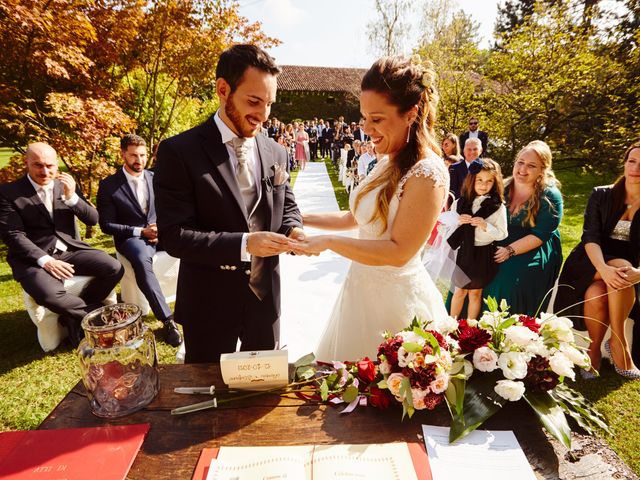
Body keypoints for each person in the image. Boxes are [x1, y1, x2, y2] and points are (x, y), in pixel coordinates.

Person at [153, 44, 304, 364]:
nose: (263, 115)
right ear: (223, 89)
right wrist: (247, 244)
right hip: (209, 303)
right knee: (210, 401)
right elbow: (174, 235)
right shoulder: (178, 152)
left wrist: (295, 228)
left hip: (265, 299)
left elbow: (286, 202)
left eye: (269, 103)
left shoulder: (275, 152)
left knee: (259, 397)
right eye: (253, 101)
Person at [295, 56, 449, 361]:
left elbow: (398, 251)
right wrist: (301, 218)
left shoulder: (427, 173)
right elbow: (355, 218)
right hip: (359, 292)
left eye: (376, 119)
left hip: (397, 306)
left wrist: (326, 243)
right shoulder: (386, 161)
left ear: (411, 114)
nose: (365, 128)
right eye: (364, 117)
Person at [0, 143, 124, 346]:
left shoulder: (66, 185)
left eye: (50, 165)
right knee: (49, 295)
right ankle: (94, 316)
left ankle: (73, 315)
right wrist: (46, 261)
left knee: (114, 268)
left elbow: (93, 219)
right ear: (27, 163)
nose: (45, 171)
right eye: (38, 165)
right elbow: (13, 235)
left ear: (57, 165)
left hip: (70, 250)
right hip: (32, 259)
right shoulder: (8, 193)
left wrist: (72, 197)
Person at [554, 141, 640, 379]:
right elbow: (590, 237)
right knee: (620, 268)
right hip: (589, 260)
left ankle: (593, 351)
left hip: (626, 267)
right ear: (624, 163)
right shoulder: (601, 194)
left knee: (596, 292)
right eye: (632, 161)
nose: (636, 168)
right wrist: (603, 267)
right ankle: (619, 345)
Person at [97, 134, 182, 347]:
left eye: (143, 155)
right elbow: (106, 225)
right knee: (143, 263)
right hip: (132, 238)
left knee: (190, 244)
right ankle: (168, 321)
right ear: (123, 154)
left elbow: (170, 208)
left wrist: (160, 227)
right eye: (134, 155)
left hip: (160, 231)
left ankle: (194, 306)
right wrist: (140, 232)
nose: (139, 160)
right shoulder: (108, 185)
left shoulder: (156, 177)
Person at [480, 140, 563, 316]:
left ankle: (504, 331)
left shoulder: (549, 196)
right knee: (473, 269)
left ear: (543, 170)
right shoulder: (502, 187)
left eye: (531, 166)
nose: (522, 170)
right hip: (501, 235)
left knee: (508, 276)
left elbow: (541, 234)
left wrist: (509, 250)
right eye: (520, 162)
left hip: (534, 243)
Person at [448, 158, 508, 320]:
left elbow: (502, 233)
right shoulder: (461, 203)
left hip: (482, 254)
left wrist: (485, 225)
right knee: (459, 290)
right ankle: (450, 325)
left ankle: (470, 327)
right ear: (471, 180)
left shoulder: (497, 206)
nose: (483, 184)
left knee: (475, 293)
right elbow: (447, 227)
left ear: (495, 183)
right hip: (463, 252)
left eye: (489, 181)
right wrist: (458, 221)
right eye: (479, 180)